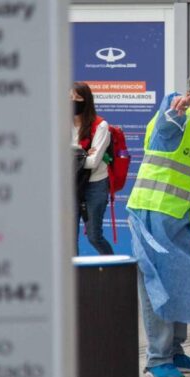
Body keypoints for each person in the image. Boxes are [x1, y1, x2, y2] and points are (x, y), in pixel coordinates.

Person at [126, 71, 190, 377]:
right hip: (152, 214)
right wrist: (172, 113)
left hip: (183, 221)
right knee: (157, 286)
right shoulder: (178, 120)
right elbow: (164, 130)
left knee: (182, 282)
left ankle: (175, 350)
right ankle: (157, 359)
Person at [71, 81, 114, 255]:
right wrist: (83, 154)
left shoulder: (101, 126)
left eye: (78, 97)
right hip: (71, 185)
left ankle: (113, 270)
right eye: (69, 97)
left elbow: (93, 162)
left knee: (94, 236)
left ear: (87, 100)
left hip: (95, 184)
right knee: (68, 238)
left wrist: (75, 156)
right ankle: (72, 278)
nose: (73, 101)